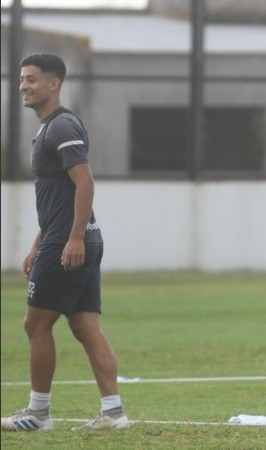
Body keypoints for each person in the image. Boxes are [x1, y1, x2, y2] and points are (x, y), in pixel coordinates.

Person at [1, 53, 130, 432]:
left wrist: (71, 238)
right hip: (69, 237)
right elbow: (59, 195)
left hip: (72, 240)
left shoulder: (61, 127)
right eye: (22, 79)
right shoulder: (49, 128)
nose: (24, 85)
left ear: (53, 84)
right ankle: (114, 413)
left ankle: (38, 414)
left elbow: (85, 182)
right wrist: (39, 242)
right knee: (85, 328)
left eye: (32, 79)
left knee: (35, 324)